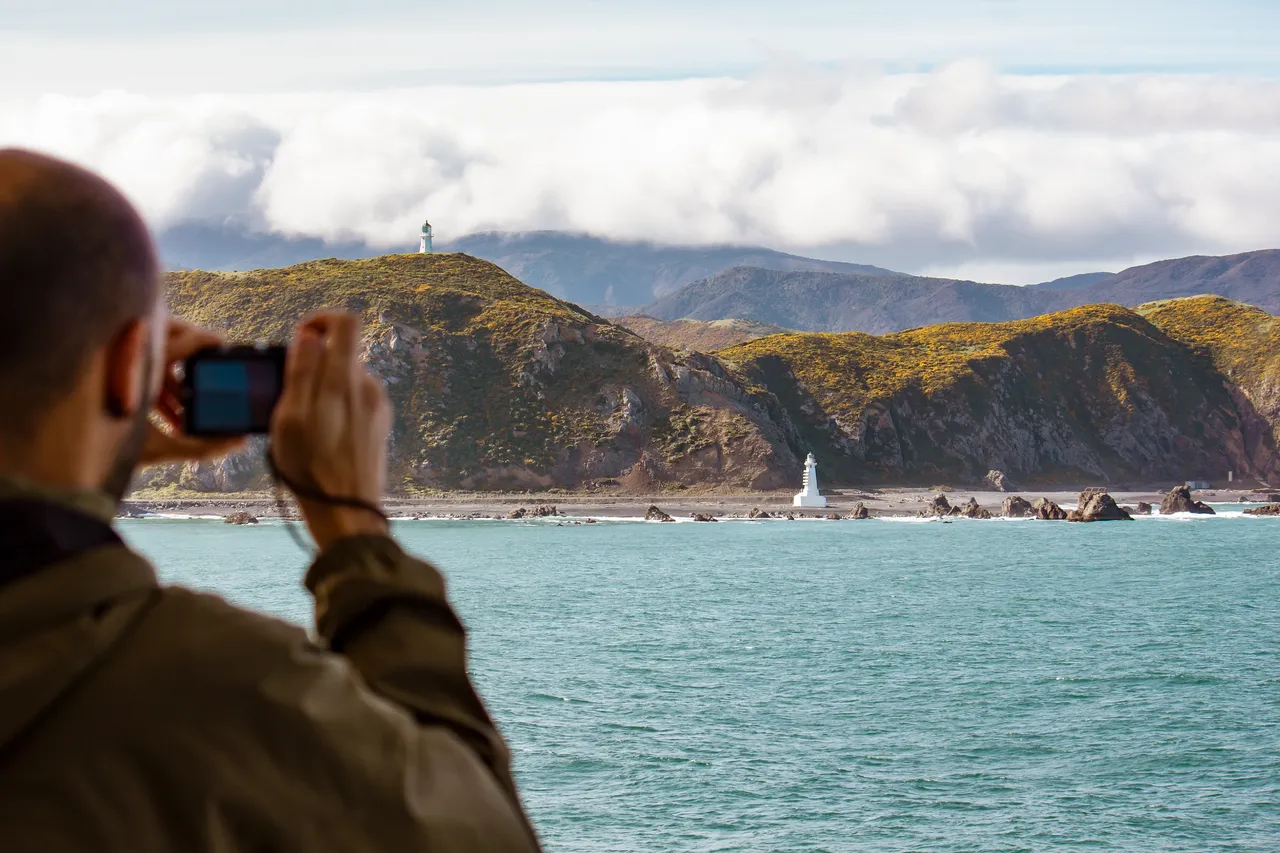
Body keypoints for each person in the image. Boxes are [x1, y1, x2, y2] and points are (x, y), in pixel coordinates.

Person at [0, 149, 541, 851]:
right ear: (130, 366)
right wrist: (355, 536)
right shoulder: (212, 688)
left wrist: (103, 442)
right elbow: (481, 834)